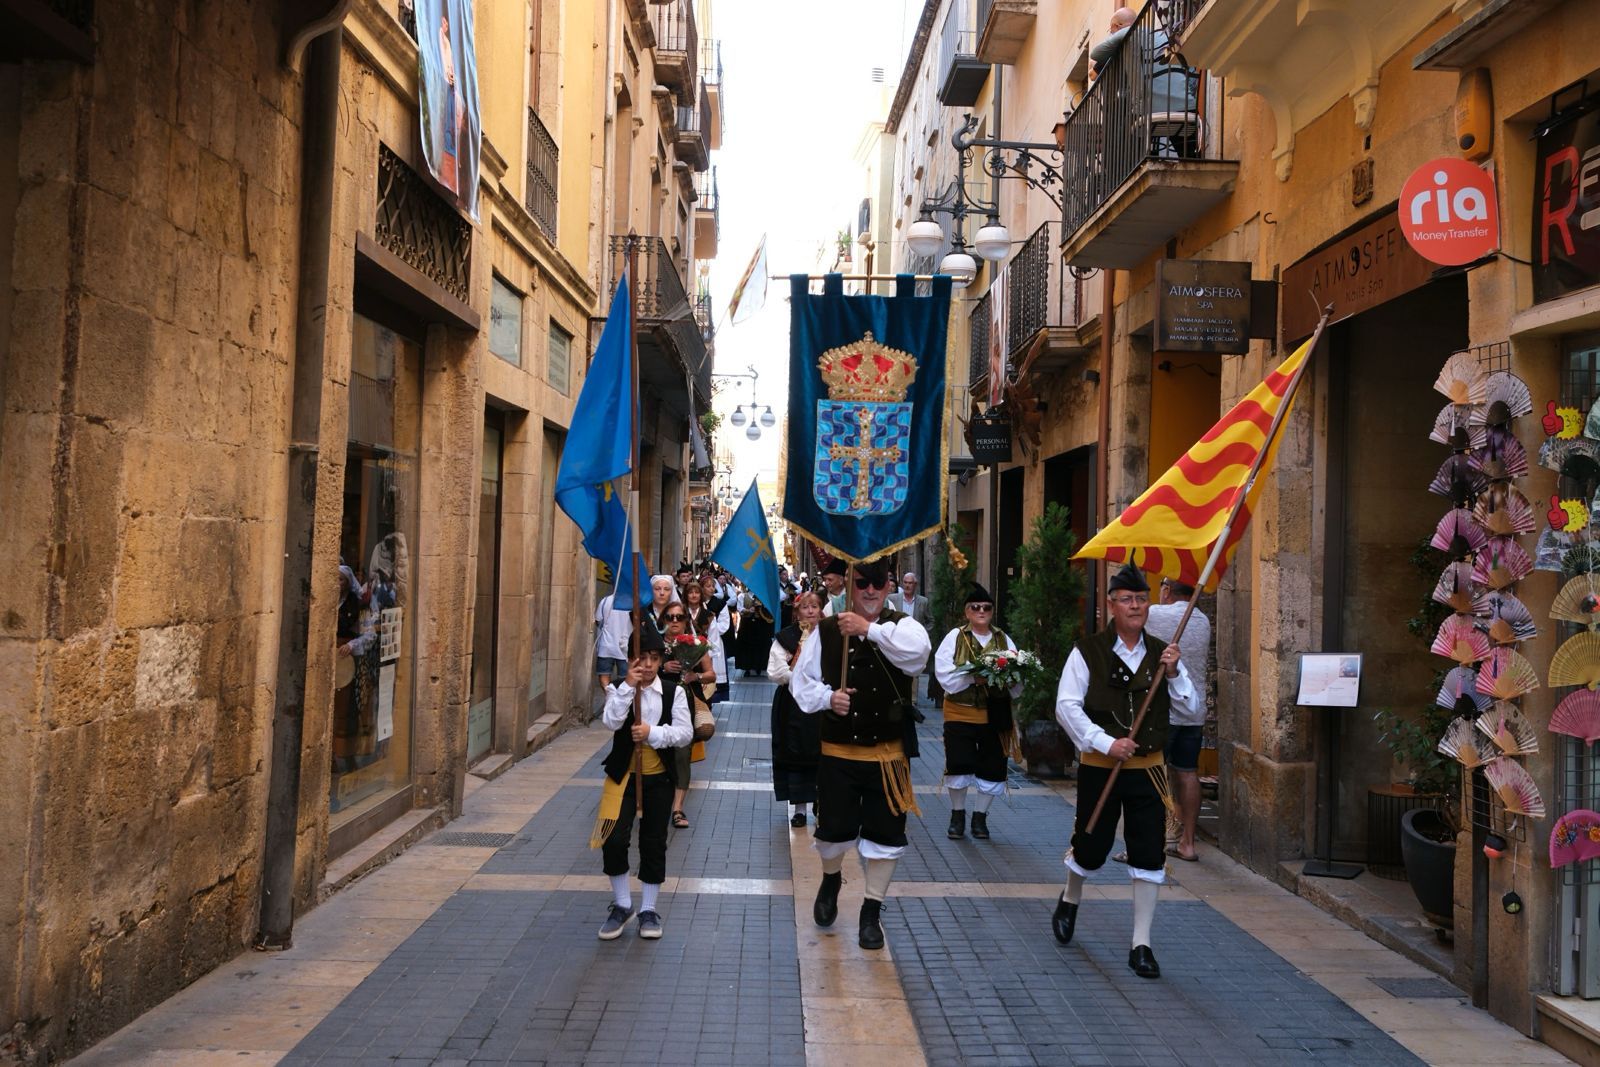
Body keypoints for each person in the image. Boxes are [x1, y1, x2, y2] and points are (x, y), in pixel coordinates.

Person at [1051, 563, 1197, 979]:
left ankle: (1141, 945)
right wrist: (1105, 742)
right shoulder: (1087, 650)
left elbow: (1190, 709)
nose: (1136, 606)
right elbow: (1066, 707)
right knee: (1091, 847)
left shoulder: (1162, 653)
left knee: (1149, 852)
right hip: (1101, 767)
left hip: (1148, 771)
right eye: (1127, 600)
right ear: (1111, 605)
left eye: (1143, 598)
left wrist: (1174, 672)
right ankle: (1070, 898)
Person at [790, 557, 931, 951]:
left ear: (889, 587)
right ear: (850, 587)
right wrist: (828, 697)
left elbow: (916, 657)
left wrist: (869, 630)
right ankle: (831, 878)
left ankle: (871, 911)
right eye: (862, 583)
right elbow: (803, 683)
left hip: (887, 755)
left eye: (878, 584)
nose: (870, 591)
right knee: (833, 833)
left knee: (886, 835)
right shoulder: (828, 630)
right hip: (838, 751)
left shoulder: (904, 626)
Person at [592, 625, 693, 941]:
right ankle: (622, 904)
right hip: (622, 778)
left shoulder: (673, 692)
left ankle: (649, 908)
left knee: (653, 841)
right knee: (614, 838)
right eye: (641, 659)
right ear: (630, 659)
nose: (648, 665)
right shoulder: (620, 687)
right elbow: (610, 721)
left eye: (653, 658)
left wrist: (652, 733)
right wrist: (626, 688)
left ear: (662, 661)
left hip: (658, 779)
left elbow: (684, 733)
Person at [933, 583, 1022, 841]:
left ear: (992, 611)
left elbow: (1017, 674)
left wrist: (1007, 679)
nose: (981, 611)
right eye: (975, 607)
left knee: (993, 765)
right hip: (960, 711)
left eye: (986, 607)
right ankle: (957, 815)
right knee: (959, 763)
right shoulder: (956, 637)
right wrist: (974, 679)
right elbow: (944, 672)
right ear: (967, 612)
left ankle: (980, 818)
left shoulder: (1003, 638)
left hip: (995, 714)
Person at [1145, 578, 1211, 863]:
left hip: (1166, 710)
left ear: (1167, 590)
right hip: (1193, 711)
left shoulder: (1159, 614)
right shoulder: (1203, 620)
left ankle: (1149, 842)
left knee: (1151, 776)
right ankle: (1188, 843)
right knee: (1187, 772)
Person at [657, 601, 715, 830]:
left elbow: (711, 674)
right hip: (658, 705)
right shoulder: (655, 645)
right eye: (670, 617)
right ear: (663, 620)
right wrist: (662, 668)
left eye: (679, 617)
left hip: (685, 706)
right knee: (659, 752)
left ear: (686, 621)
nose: (674, 621)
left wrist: (694, 677)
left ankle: (678, 809)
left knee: (682, 754)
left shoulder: (697, 644)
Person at [769, 591, 823, 827]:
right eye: (805, 607)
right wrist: (800, 678)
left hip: (822, 702)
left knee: (823, 752)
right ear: (796, 611)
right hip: (792, 703)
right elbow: (775, 670)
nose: (810, 611)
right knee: (795, 753)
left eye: (815, 606)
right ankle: (799, 809)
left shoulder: (830, 635)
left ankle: (823, 801)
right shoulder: (785, 637)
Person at [888, 571, 935, 705]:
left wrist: (923, 633)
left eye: (911, 583)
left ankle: (913, 700)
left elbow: (931, 620)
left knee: (914, 668)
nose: (908, 586)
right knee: (896, 667)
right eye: (906, 583)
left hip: (915, 641)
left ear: (916, 585)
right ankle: (896, 696)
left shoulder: (923, 602)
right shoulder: (893, 599)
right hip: (897, 639)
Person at [594, 591, 633, 691]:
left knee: (604, 675)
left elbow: (598, 620)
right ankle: (618, 701)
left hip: (606, 645)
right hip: (625, 646)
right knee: (625, 679)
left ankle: (610, 698)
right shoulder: (633, 602)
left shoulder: (605, 601)